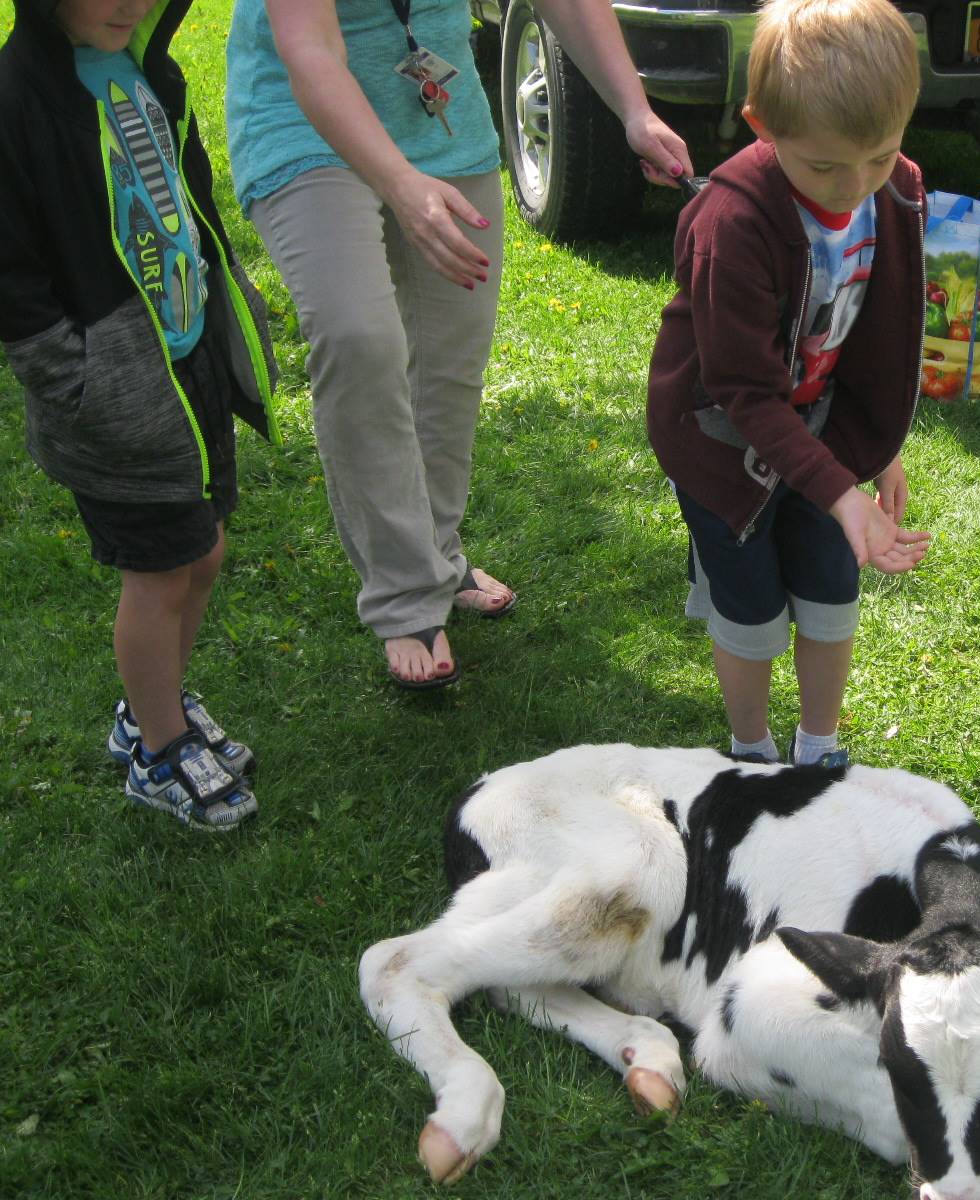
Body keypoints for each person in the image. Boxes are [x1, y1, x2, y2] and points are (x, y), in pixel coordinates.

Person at [225, 0, 692, 689]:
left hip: (439, 124)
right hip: (305, 125)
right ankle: (405, 593)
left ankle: (434, 553)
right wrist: (399, 185)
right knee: (360, 338)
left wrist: (634, 108)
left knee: (451, 356)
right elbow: (312, 53)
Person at [0, 0, 280, 828]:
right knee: (157, 570)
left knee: (204, 547)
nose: (124, 3)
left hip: (184, 358)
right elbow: (10, 265)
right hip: (111, 384)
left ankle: (149, 709)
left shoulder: (150, 72)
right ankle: (160, 751)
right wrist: (67, 371)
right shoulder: (18, 99)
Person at [647, 0, 932, 768]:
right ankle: (751, 751)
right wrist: (841, 492)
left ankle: (819, 746)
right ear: (760, 124)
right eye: (825, 165)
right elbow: (741, 391)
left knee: (832, 587)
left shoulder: (894, 189)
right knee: (749, 605)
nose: (854, 185)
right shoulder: (731, 224)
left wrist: (876, 448)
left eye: (878, 155)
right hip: (720, 444)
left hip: (824, 427)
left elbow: (878, 332)